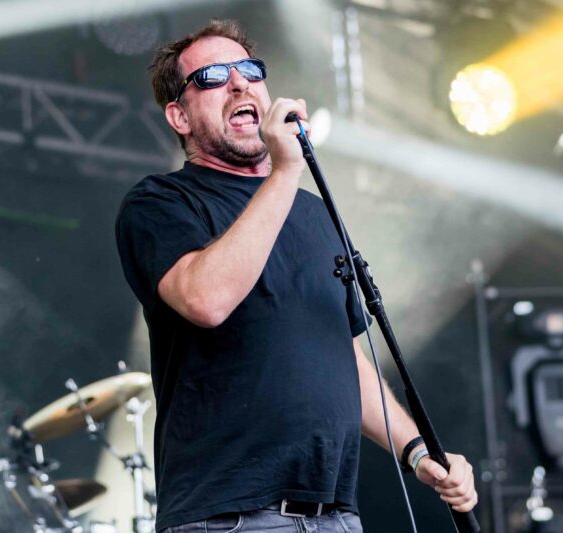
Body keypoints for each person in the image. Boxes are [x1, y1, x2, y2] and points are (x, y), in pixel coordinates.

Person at [116, 19, 477, 533]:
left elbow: (344, 358)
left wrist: (417, 451)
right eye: (213, 76)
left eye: (249, 71)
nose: (239, 84)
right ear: (180, 115)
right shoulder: (161, 202)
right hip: (229, 516)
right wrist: (285, 171)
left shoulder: (312, 212)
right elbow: (206, 299)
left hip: (335, 515)